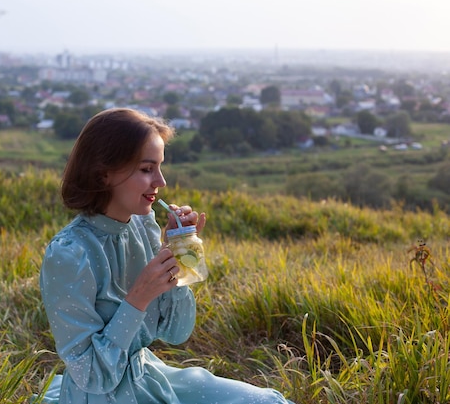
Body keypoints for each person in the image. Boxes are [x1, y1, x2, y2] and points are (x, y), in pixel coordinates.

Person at [38, 108, 294, 403]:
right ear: (103, 173)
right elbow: (93, 375)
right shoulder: (70, 254)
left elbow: (177, 331)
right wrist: (138, 297)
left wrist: (180, 252)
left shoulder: (143, 224)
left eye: (159, 167)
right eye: (147, 169)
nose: (161, 181)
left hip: (149, 376)